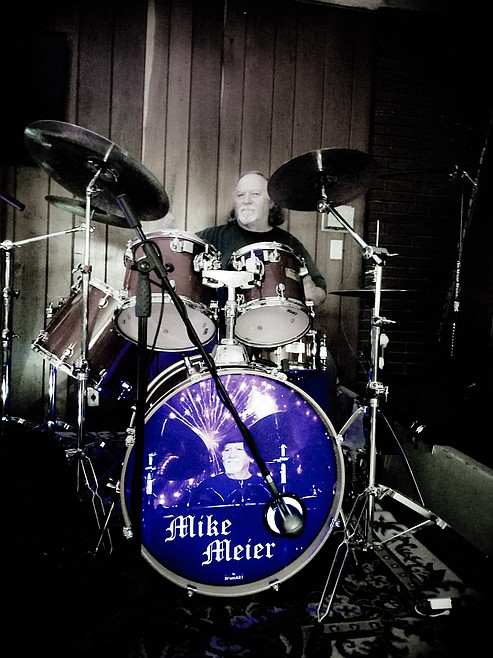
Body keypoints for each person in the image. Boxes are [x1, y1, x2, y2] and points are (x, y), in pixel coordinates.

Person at [196, 171, 327, 307]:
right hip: (220, 319)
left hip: (276, 317)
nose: (246, 201)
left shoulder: (289, 243)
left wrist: (313, 294)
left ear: (271, 202)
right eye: (240, 195)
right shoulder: (211, 237)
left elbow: (320, 289)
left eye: (255, 194)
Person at [190, 439, 271, 506]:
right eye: (227, 450)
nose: (232, 455)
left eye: (239, 449)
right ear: (222, 456)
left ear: (250, 456)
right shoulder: (208, 486)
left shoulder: (263, 486)